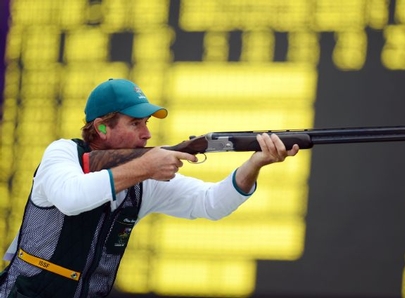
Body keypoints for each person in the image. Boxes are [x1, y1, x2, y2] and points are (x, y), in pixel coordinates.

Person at [0, 78, 299, 297]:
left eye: (146, 123)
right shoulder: (63, 153)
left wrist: (255, 164)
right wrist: (145, 167)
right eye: (135, 124)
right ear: (102, 127)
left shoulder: (145, 180)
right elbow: (71, 197)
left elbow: (210, 203)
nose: (147, 134)